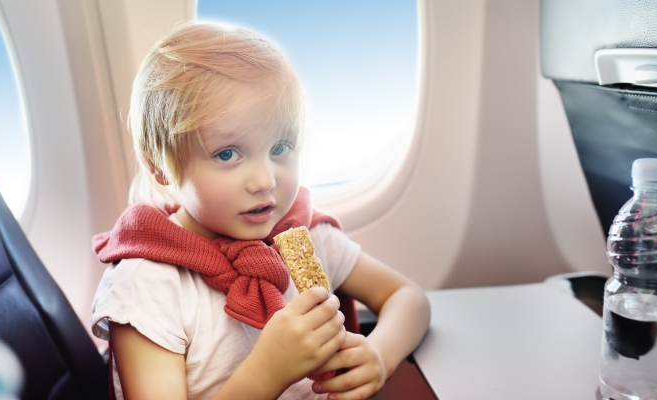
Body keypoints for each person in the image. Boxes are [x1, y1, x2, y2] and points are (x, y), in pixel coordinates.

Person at [91, 21, 430, 400]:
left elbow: (408, 297)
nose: (265, 179)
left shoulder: (304, 234)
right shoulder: (147, 285)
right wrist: (267, 371)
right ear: (160, 166)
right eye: (227, 154)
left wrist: (379, 355)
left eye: (281, 148)